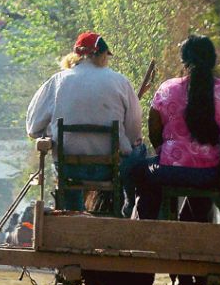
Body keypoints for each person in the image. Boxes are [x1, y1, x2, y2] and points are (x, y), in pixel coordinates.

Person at [131, 34, 220, 223]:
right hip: (216, 174)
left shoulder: (167, 90)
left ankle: (146, 227)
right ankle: (193, 227)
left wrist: (167, 152)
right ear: (213, 61)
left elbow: (155, 133)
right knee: (201, 189)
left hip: (172, 171)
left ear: (184, 62)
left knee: (140, 171)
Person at [26, 31, 144, 214]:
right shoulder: (120, 82)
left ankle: (72, 214)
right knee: (139, 150)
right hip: (109, 170)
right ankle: (127, 210)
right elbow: (134, 131)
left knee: (66, 173)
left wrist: (50, 133)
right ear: (101, 55)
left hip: (70, 170)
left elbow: (33, 128)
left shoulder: (57, 82)